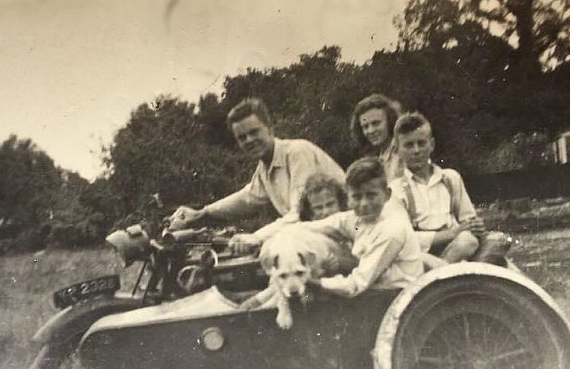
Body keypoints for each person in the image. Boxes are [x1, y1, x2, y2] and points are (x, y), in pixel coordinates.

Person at [168, 98, 345, 254]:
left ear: (270, 129)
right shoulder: (264, 167)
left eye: (254, 132)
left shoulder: (297, 152)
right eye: (242, 137)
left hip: (345, 239)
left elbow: (299, 214)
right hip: (319, 238)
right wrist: (202, 212)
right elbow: (247, 198)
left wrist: (256, 237)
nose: (249, 141)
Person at [299, 157, 422, 298]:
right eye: (357, 197)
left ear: (387, 195)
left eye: (371, 195)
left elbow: (355, 285)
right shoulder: (356, 219)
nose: (363, 203)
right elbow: (316, 226)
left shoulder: (392, 229)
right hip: (374, 291)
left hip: (396, 295)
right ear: (349, 197)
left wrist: (309, 282)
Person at [389, 112, 485, 265]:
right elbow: (404, 239)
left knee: (473, 241)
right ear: (397, 151)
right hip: (422, 256)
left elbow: (468, 219)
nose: (416, 150)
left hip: (457, 248)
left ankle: (445, 273)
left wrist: (475, 225)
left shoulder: (450, 178)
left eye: (421, 143)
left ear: (431, 144)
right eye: (408, 145)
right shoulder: (395, 190)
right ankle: (440, 275)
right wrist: (452, 233)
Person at [349, 93, 403, 181]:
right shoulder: (378, 158)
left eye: (376, 123)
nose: (371, 131)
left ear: (390, 121)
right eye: (365, 126)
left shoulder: (402, 151)